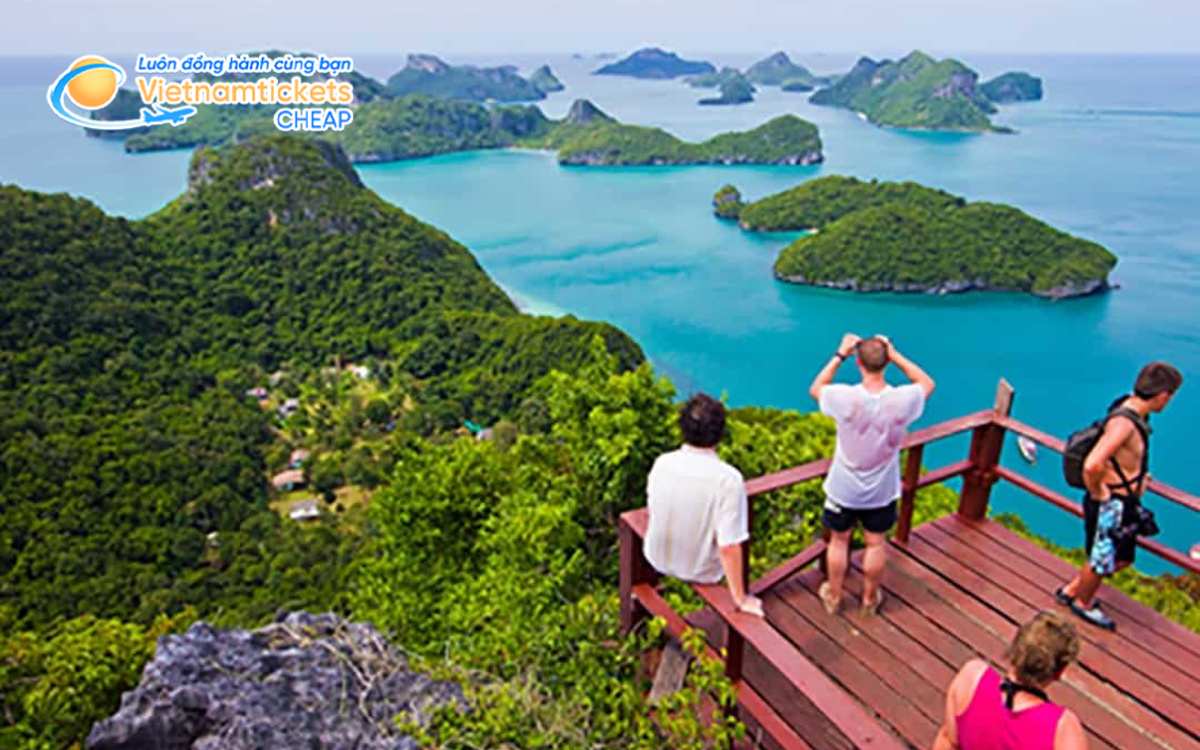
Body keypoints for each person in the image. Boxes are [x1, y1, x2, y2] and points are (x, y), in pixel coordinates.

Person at [809, 333, 934, 616]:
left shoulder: (847, 398)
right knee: (875, 543)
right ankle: (868, 598)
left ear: (858, 363)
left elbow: (816, 388)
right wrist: (895, 353)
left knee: (839, 541)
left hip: (843, 488)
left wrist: (840, 354)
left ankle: (835, 595)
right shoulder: (901, 400)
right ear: (886, 362)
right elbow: (927, 383)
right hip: (881, 489)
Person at [1055, 362, 1182, 630]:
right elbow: (1093, 463)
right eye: (1171, 396)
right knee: (1103, 558)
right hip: (1111, 502)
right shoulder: (1124, 424)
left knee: (1114, 556)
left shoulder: (1129, 407)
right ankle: (1083, 603)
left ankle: (1072, 590)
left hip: (1119, 500)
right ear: (1162, 395)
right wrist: (1100, 492)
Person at [644, 393, 764, 617]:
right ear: (720, 435)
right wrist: (740, 598)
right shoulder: (728, 479)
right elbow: (729, 546)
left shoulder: (662, 463)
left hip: (656, 556)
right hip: (701, 570)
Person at [934, 611, 1088, 750]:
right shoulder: (1062, 729)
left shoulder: (971, 679)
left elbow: (947, 741)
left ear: (1015, 648)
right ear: (1059, 671)